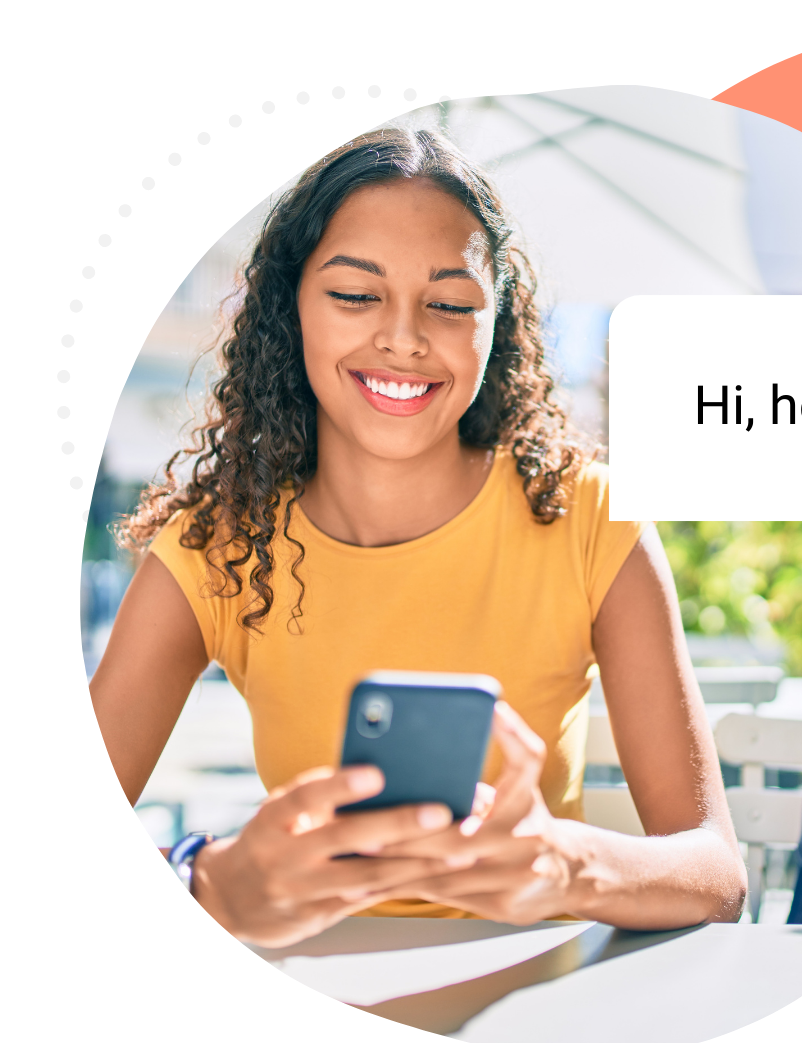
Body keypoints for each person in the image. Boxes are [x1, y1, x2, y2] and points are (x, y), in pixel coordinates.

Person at [89, 127, 747, 949]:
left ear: (497, 319)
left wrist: (564, 864)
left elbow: (718, 876)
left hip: (540, 1002)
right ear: (290, 308)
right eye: (355, 296)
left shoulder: (588, 515)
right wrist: (211, 879)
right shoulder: (214, 546)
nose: (403, 337)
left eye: (449, 303)